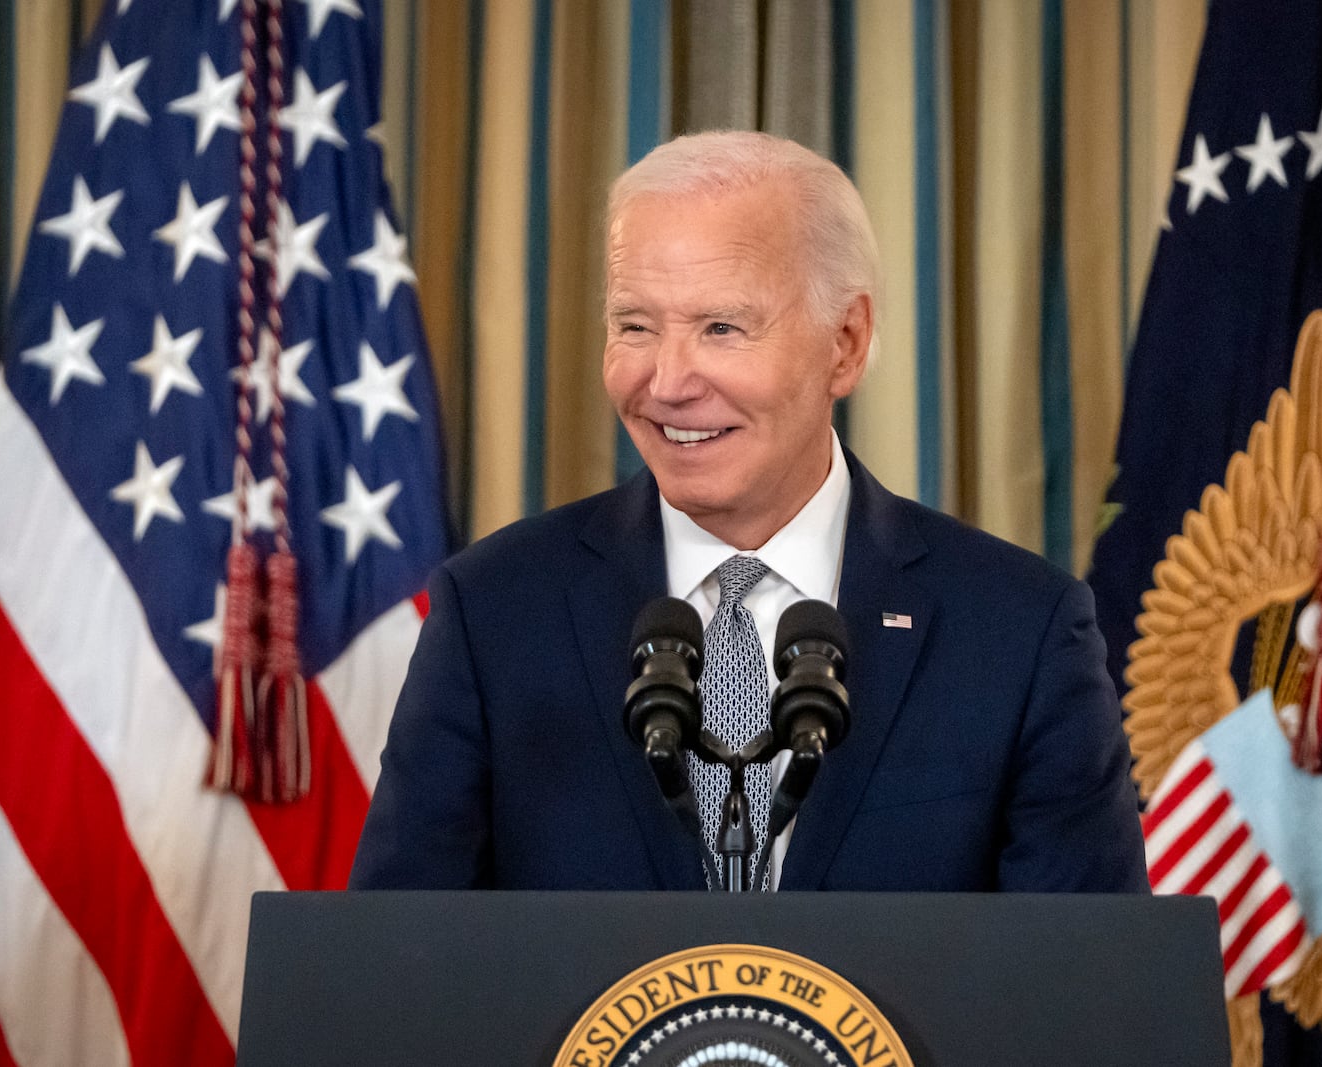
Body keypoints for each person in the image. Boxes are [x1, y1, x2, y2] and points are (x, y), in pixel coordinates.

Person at [348, 130, 1148, 893]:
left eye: (721, 328)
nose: (666, 382)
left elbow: (1088, 996)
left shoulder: (1019, 630)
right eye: (635, 325)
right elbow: (396, 975)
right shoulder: (492, 612)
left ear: (846, 342)